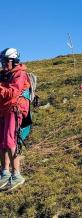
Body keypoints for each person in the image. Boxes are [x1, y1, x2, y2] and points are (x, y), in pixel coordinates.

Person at [0, 48, 30, 191]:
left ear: (14, 61)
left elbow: (13, 93)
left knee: (10, 140)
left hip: (15, 108)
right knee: (2, 141)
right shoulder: (5, 75)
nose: (4, 64)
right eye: (2, 61)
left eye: (6, 61)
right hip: (4, 109)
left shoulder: (20, 74)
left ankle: (17, 174)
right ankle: (5, 172)